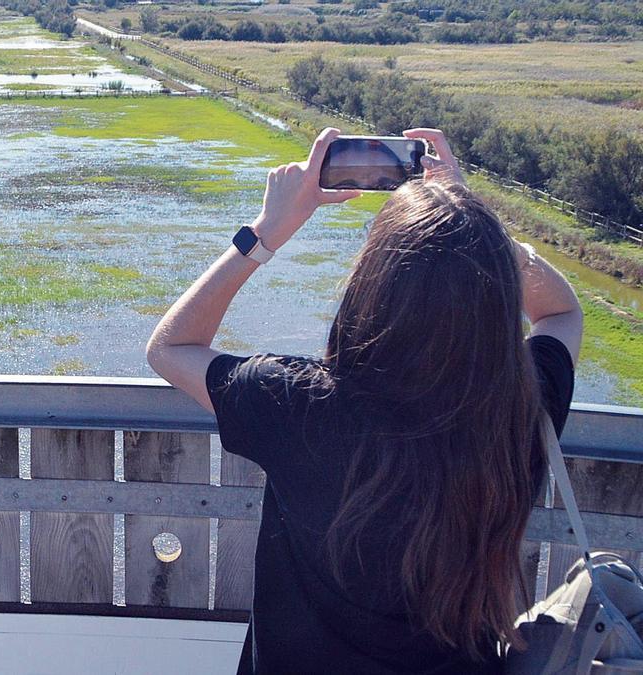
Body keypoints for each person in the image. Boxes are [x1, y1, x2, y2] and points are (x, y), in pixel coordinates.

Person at [146, 127, 582, 674]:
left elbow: (170, 347)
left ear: (370, 286)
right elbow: (561, 314)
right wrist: (474, 229)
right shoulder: (516, 411)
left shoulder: (300, 403)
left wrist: (266, 231)